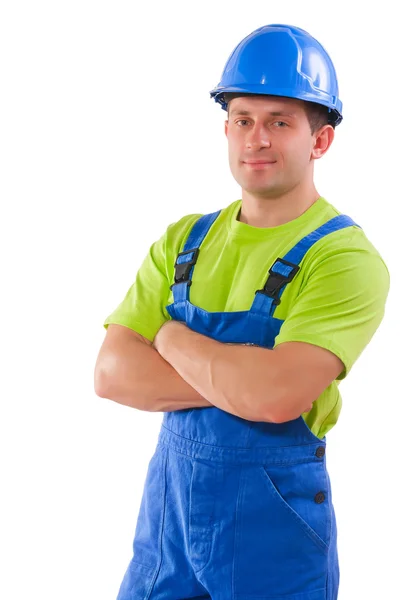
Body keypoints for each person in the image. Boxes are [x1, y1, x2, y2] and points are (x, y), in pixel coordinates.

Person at [95, 23, 390, 599]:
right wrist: (244, 378)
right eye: (243, 120)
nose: (256, 139)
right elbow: (110, 375)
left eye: (279, 121)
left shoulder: (343, 258)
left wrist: (174, 342)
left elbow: (277, 398)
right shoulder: (184, 242)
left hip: (271, 540)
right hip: (167, 528)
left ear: (320, 140)